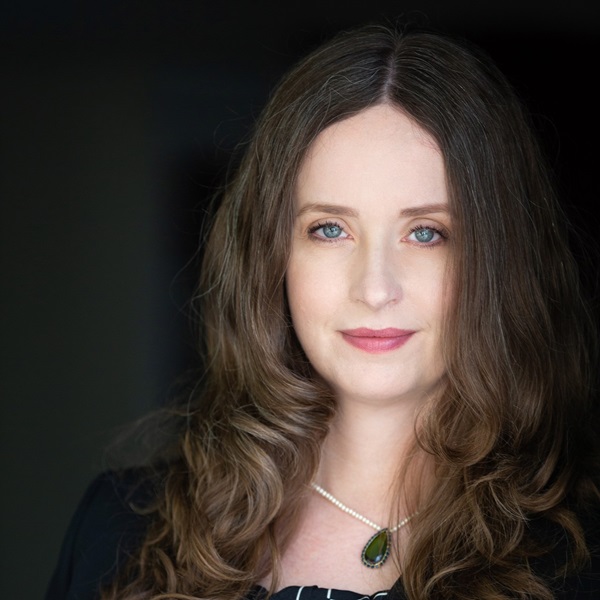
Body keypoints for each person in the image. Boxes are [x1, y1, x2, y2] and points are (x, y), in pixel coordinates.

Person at [46, 21, 600, 600]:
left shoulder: (581, 563)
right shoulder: (118, 530)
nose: (376, 287)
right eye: (330, 229)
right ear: (273, 254)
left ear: (500, 260)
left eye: (427, 233)